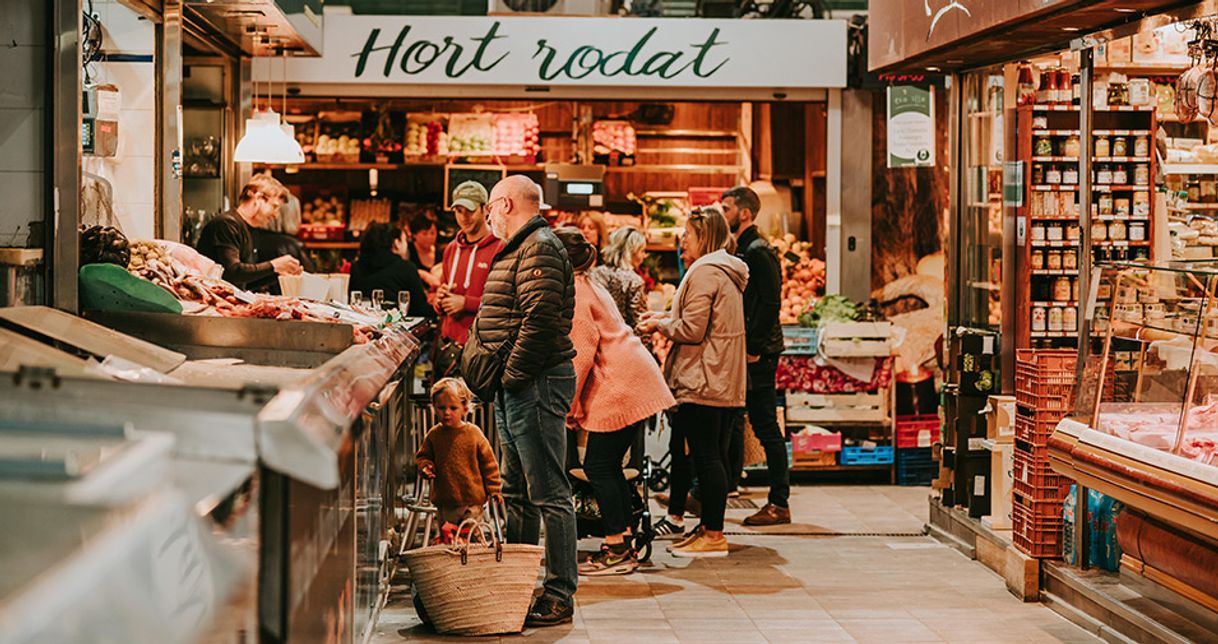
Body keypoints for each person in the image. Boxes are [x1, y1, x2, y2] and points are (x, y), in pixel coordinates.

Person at [474, 174, 578, 626]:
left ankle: (558, 591)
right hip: (516, 386)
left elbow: (539, 319)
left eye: (491, 208)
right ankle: (518, 580)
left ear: (508, 204)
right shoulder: (522, 246)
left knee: (550, 492)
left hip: (534, 384)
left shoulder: (539, 246)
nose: (488, 218)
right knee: (517, 492)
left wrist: (513, 375)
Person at [554, 228, 675, 577]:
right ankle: (622, 539)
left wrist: (570, 406)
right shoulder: (591, 284)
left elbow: (581, 354)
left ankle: (617, 548)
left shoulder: (575, 293)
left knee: (598, 466)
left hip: (619, 383)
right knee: (606, 466)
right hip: (634, 375)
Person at [637, 206, 748, 558]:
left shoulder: (705, 274)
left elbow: (692, 330)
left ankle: (713, 534)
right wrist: (665, 316)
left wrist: (660, 325)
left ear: (706, 237)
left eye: (688, 235)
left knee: (707, 458)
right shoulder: (721, 272)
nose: (682, 241)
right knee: (708, 456)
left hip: (705, 379)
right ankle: (706, 529)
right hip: (716, 376)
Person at [721, 186, 791, 526]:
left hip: (758, 353)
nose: (723, 213)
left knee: (765, 425)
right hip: (747, 349)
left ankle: (779, 502)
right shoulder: (743, 247)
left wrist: (753, 347)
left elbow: (770, 304)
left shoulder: (759, 250)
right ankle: (723, 488)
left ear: (744, 213)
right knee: (734, 420)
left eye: (727, 208)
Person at [415, 378, 502, 525]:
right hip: (445, 501)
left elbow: (489, 464)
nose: (447, 413)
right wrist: (425, 467)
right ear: (434, 407)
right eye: (441, 408)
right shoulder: (434, 435)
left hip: (472, 502)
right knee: (448, 540)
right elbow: (423, 456)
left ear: (465, 409)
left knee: (471, 539)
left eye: (453, 408)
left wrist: (494, 489)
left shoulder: (474, 434)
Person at [195, 174, 302, 289]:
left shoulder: (251, 230)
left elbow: (246, 282)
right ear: (258, 197)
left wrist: (278, 273)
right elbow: (232, 272)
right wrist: (274, 265)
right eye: (274, 206)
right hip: (210, 300)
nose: (276, 215)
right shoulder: (226, 224)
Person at [436, 181, 505, 346]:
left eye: (470, 211)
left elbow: (505, 304)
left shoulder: (501, 248)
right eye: (459, 211)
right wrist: (438, 300)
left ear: (485, 209)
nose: (463, 218)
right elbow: (436, 292)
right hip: (448, 344)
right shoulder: (451, 249)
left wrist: (466, 304)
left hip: (481, 348)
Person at [349, 222, 432, 318]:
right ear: (396, 243)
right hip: (398, 328)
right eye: (405, 240)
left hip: (362, 325)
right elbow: (422, 310)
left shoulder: (356, 267)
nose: (407, 246)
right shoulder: (406, 268)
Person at [589, 226, 651, 349]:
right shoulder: (634, 281)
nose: (644, 256)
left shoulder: (593, 274)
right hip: (622, 348)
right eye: (642, 251)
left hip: (595, 343)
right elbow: (639, 324)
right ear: (631, 251)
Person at [408, 212, 442, 290]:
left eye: (432, 233)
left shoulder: (441, 252)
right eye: (425, 234)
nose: (430, 237)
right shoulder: (408, 250)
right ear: (414, 235)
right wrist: (424, 275)